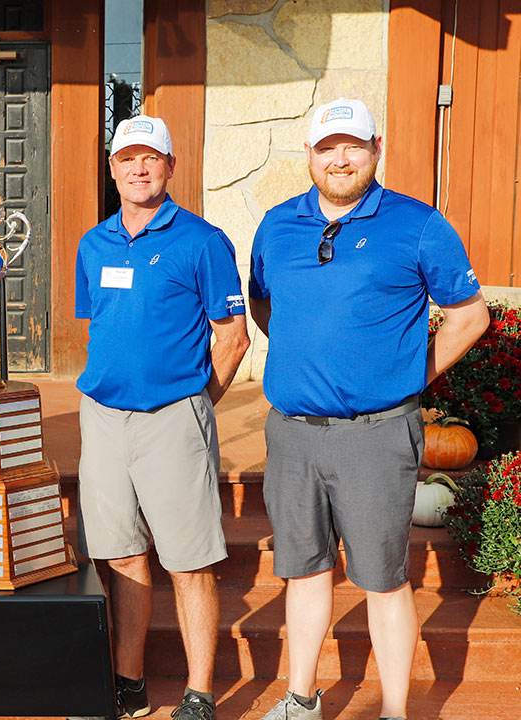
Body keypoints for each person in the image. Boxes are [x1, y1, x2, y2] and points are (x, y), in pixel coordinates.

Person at [248, 97, 489, 720]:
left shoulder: (417, 225)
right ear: (309, 154)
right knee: (303, 573)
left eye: (353, 146)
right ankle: (301, 700)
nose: (340, 159)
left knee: (382, 579)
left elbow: (469, 317)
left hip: (377, 435)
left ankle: (395, 712)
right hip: (294, 433)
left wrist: (406, 373)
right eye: (327, 148)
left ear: (375, 149)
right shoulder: (276, 225)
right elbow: (266, 306)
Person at [75, 115, 250, 720]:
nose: (139, 168)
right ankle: (130, 682)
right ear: (114, 168)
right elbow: (99, 324)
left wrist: (195, 404)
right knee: (120, 554)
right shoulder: (93, 244)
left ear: (171, 167)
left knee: (188, 559)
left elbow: (232, 338)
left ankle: (199, 693)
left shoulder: (202, 241)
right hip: (101, 418)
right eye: (128, 159)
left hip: (172, 418)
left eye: (152, 158)